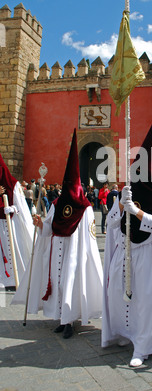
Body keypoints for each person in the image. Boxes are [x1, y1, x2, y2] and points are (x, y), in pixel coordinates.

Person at [102, 116, 152, 367]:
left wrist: (135, 211)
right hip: (126, 251)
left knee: (145, 301)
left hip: (147, 254)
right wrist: (119, 205)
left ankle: (143, 347)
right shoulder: (126, 194)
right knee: (120, 293)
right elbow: (111, 225)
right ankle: (127, 333)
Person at [12, 129, 103, 339]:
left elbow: (87, 238)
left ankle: (70, 321)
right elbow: (49, 227)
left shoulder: (85, 208)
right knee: (57, 283)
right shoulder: (56, 204)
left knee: (69, 283)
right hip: (56, 251)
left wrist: (83, 255)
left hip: (74, 253)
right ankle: (62, 319)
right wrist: (39, 224)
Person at [0, 155, 34, 290]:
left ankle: (16, 279)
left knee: (14, 252)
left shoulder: (12, 184)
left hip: (12, 226)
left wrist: (12, 208)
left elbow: (22, 208)